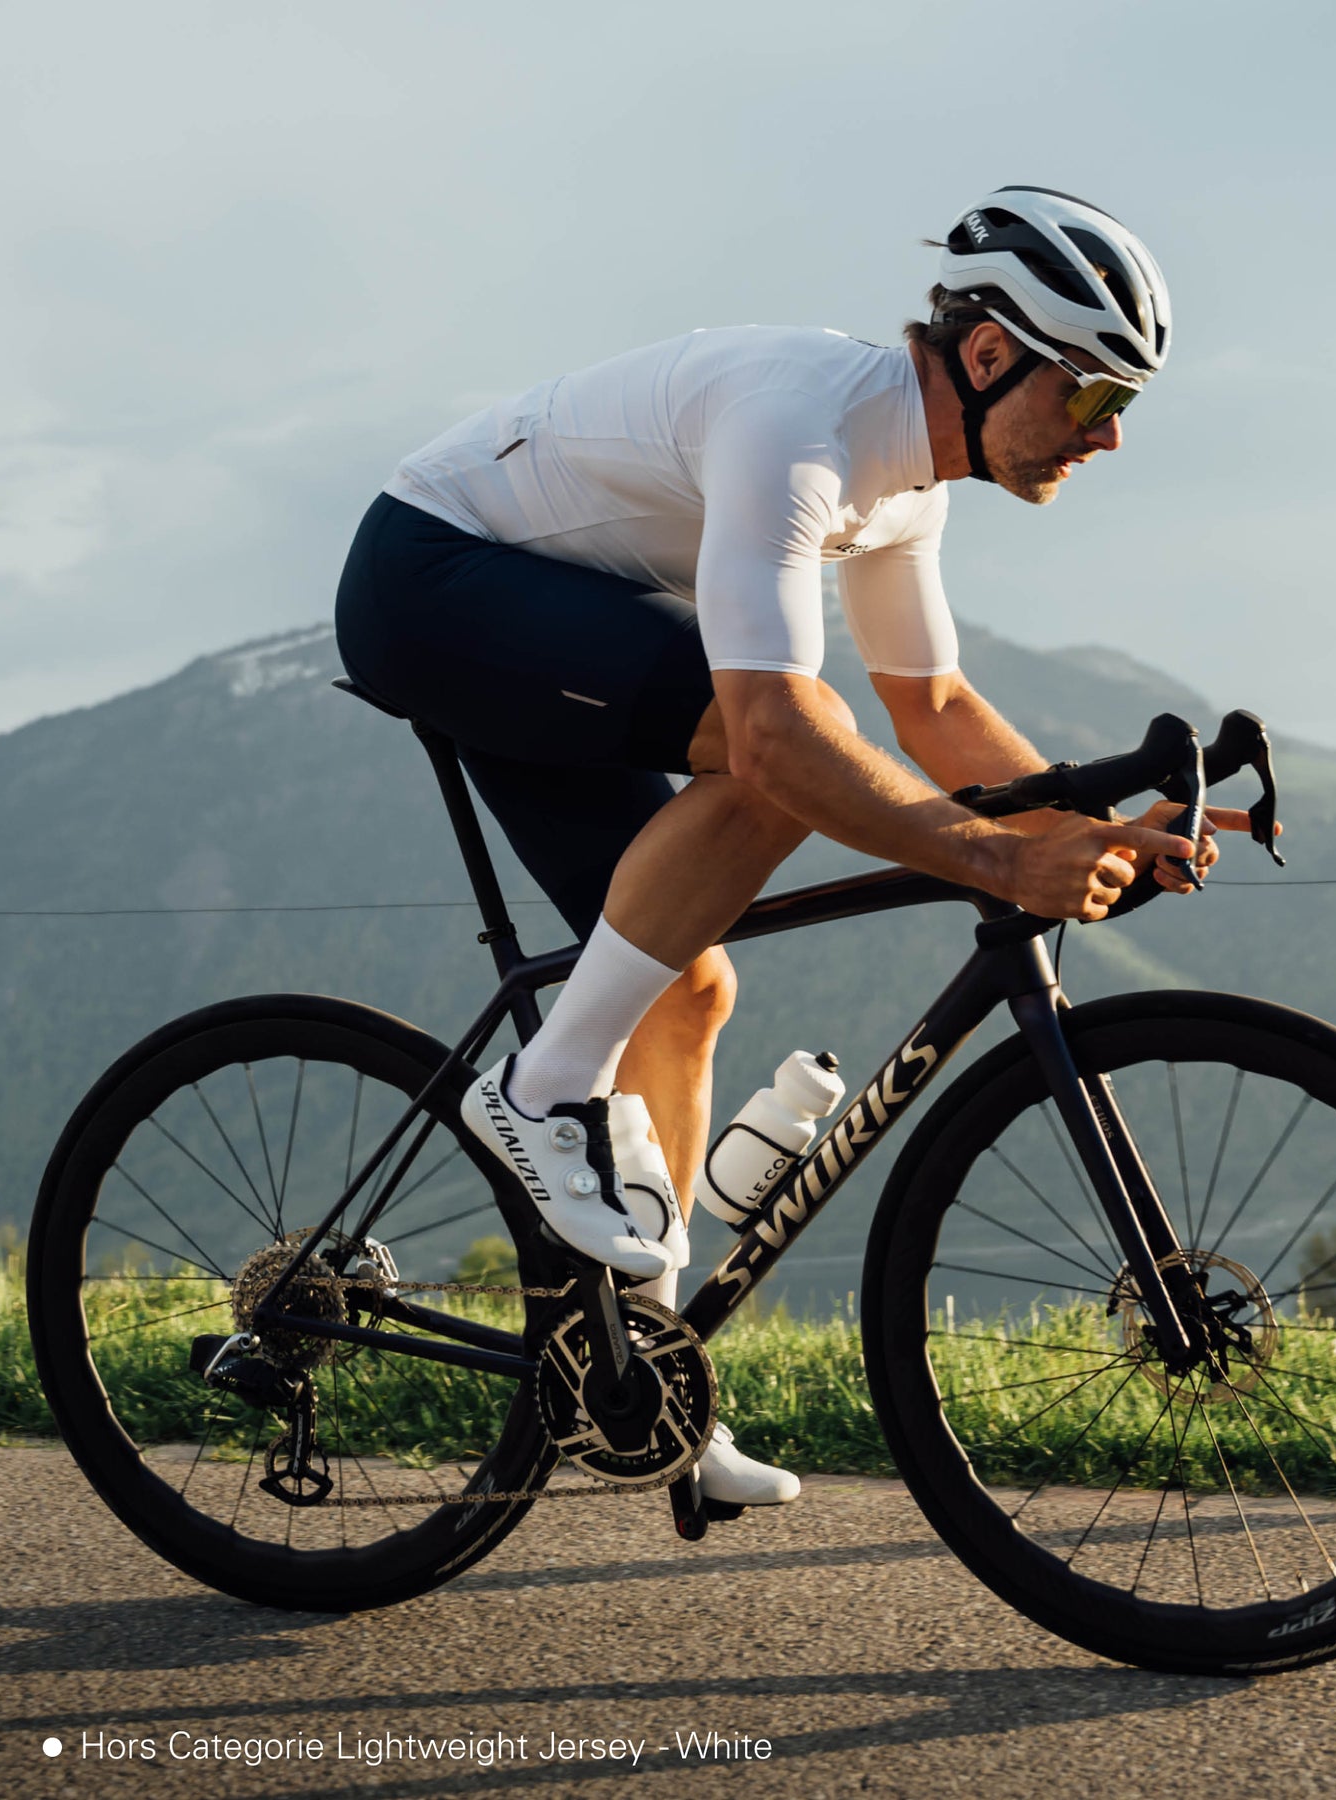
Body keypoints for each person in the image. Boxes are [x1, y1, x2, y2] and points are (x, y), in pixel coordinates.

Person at [334, 185, 1245, 1507]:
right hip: (431, 582)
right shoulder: (800, 427)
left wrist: (1085, 832)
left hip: (553, 618)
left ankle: (640, 1379)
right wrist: (999, 863)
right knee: (784, 753)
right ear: (993, 355)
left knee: (689, 985)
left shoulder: (908, 487)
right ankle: (540, 1093)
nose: (1108, 436)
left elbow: (933, 709)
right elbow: (773, 737)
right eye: (1094, 395)